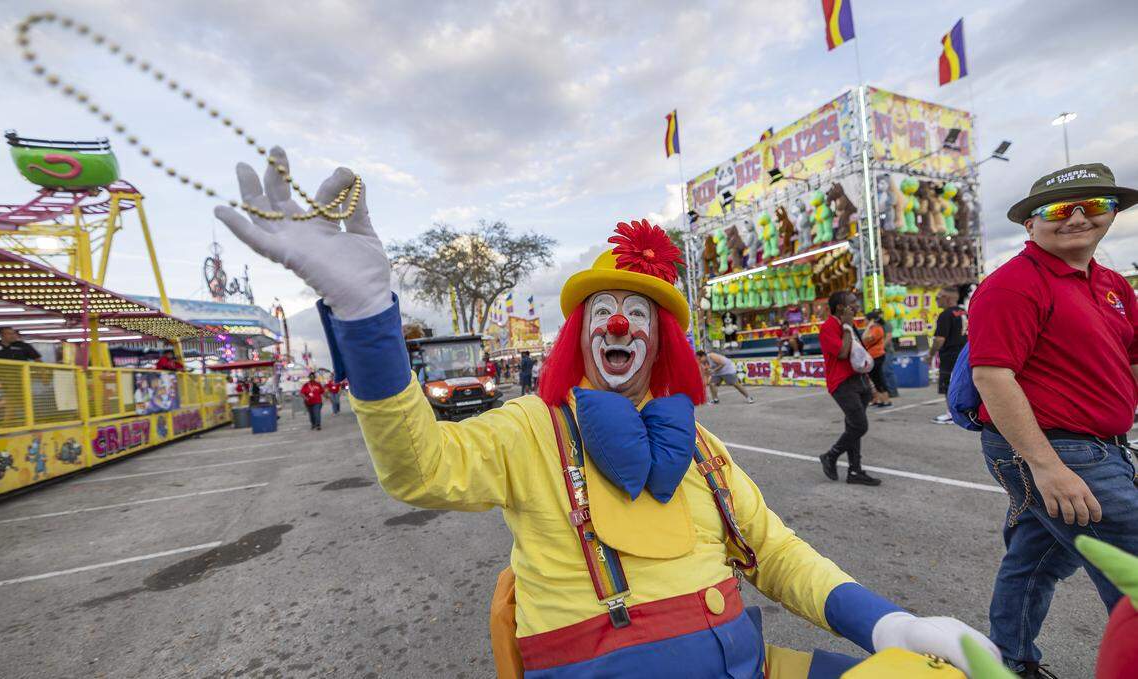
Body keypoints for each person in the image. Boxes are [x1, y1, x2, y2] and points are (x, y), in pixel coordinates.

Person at [216, 161, 998, 679]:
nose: (620, 325)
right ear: (579, 336)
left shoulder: (701, 444)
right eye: (604, 311)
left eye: (638, 314)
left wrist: (889, 624)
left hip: (742, 661)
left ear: (660, 342)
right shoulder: (530, 426)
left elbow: (776, 554)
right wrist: (368, 320)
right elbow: (420, 467)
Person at [968, 163, 1138, 677]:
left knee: (1035, 559)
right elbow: (994, 378)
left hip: (1102, 444)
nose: (1078, 218)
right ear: (1031, 223)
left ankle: (1008, 661)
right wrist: (1045, 466)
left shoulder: (1111, 284)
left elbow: (1129, 359)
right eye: (1062, 209)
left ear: (1113, 214)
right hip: (1056, 448)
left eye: (1095, 206)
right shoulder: (1012, 286)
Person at [817, 291, 880, 486]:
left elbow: (859, 356)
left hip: (858, 381)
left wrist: (870, 383)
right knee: (860, 425)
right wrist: (845, 326)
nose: (857, 305)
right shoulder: (829, 327)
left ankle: (855, 470)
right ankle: (830, 455)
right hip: (842, 383)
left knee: (853, 427)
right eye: (852, 303)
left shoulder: (849, 325)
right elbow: (843, 353)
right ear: (840, 308)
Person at [930, 286, 968, 425]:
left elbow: (940, 339)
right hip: (964, 354)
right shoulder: (963, 312)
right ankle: (963, 412)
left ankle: (951, 414)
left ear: (947, 298)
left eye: (938, 297)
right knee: (963, 384)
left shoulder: (945, 314)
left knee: (948, 385)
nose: (936, 300)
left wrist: (930, 355)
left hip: (950, 356)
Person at [861, 310, 892, 408]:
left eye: (866, 319)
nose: (864, 321)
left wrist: (868, 327)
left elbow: (864, 338)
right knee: (874, 378)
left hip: (877, 356)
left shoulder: (876, 329)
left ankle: (886, 400)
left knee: (878, 378)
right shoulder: (873, 328)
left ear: (871, 320)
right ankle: (879, 400)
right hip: (873, 356)